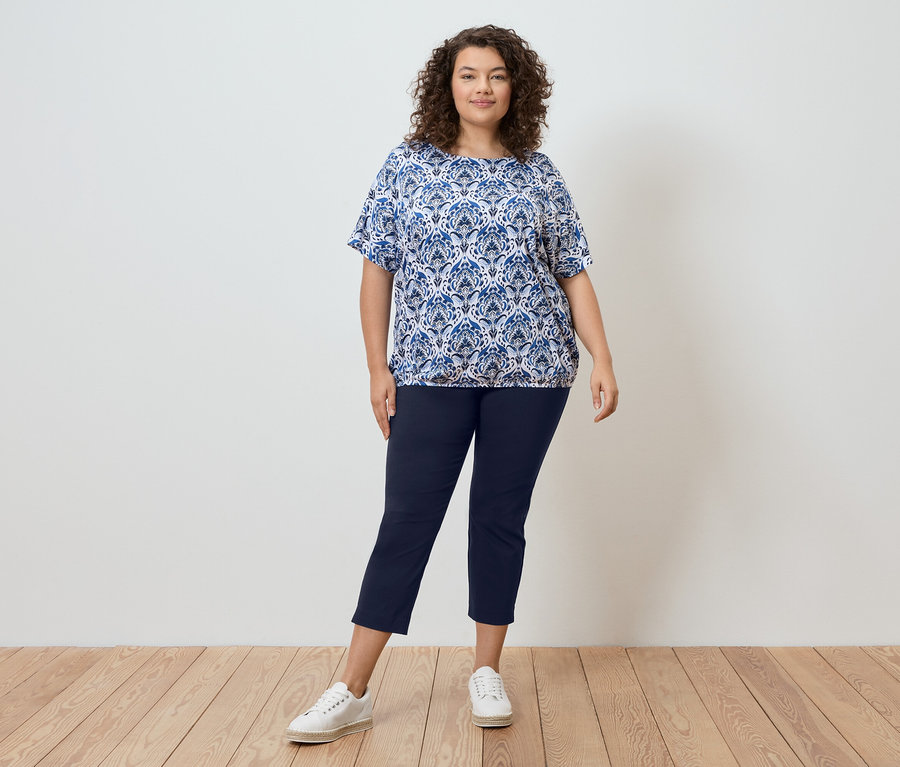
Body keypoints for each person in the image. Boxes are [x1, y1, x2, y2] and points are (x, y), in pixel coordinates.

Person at [285, 23, 618, 744]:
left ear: (514, 87)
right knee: (407, 519)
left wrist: (603, 356)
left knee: (499, 516)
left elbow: (572, 269)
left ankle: (486, 670)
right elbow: (377, 268)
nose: (482, 88)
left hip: (532, 372)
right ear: (448, 85)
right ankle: (352, 686)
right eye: (469, 75)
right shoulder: (407, 166)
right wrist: (378, 366)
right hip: (429, 369)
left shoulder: (538, 171)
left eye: (496, 76)